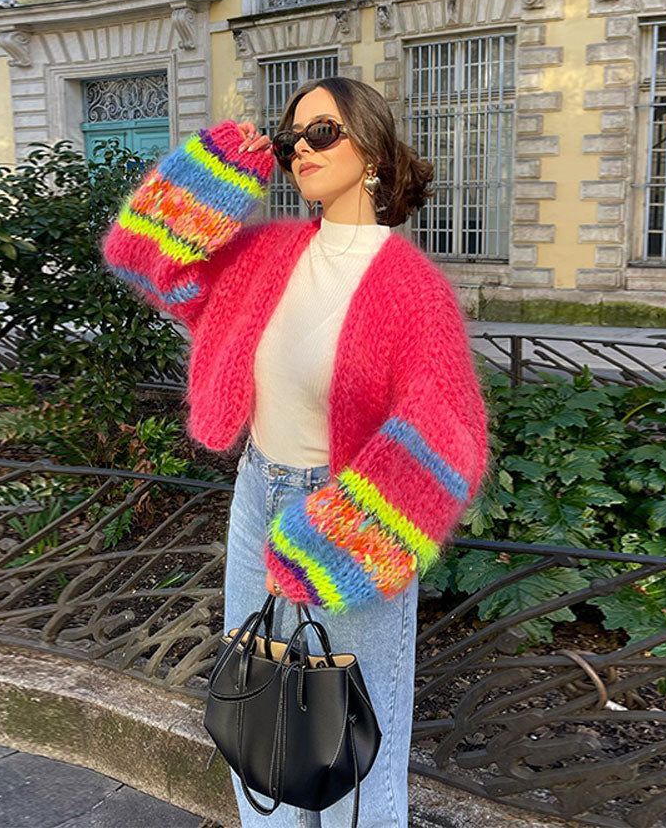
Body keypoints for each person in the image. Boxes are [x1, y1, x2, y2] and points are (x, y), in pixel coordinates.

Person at [100, 76, 490, 828]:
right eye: (290, 139)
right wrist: (217, 166)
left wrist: (346, 529)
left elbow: (450, 431)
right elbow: (145, 259)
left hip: (354, 514)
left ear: (372, 151)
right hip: (257, 497)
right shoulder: (265, 256)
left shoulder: (412, 289)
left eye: (322, 133)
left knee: (353, 756)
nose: (301, 150)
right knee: (263, 724)